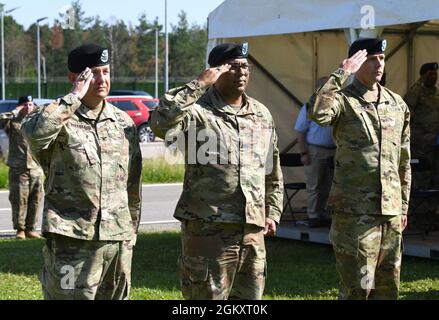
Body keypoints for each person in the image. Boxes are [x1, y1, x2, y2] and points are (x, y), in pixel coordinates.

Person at [150, 42, 283, 300]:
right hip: (209, 231)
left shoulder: (260, 114)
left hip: (252, 232)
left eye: (245, 66)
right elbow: (160, 122)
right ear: (216, 71)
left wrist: (273, 212)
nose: (242, 72)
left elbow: (272, 169)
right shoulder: (198, 111)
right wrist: (199, 83)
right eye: (233, 67)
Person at [21, 43, 142, 300]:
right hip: (72, 243)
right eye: (94, 73)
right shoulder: (58, 117)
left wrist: (131, 232)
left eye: (106, 72)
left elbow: (132, 184)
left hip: (117, 241)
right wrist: (74, 97)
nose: (102, 79)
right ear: (74, 78)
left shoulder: (123, 122)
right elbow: (34, 134)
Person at [308, 38, 411, 300]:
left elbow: (403, 159)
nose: (379, 64)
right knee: (359, 286)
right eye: (371, 59)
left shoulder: (397, 104)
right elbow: (317, 113)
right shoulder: (343, 100)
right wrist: (341, 73)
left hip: (389, 213)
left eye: (382, 58)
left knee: (388, 287)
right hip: (355, 214)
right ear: (356, 63)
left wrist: (403, 207)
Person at [0, 95, 44, 239]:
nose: (28, 107)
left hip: (36, 168)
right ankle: (20, 230)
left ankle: (31, 229)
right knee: (19, 200)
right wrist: (15, 111)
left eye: (30, 104)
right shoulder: (12, 123)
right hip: (19, 168)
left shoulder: (37, 122)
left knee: (35, 200)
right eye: (25, 104)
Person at [294, 76, 335, 228]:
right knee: (315, 185)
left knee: (329, 186)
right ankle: (313, 215)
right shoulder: (309, 107)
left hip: (333, 151)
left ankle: (324, 213)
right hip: (315, 151)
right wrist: (303, 153)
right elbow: (300, 132)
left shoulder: (336, 106)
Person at [404, 62, 439, 189]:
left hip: (435, 144)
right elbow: (406, 110)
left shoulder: (436, 94)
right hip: (420, 145)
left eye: (435, 74)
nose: (434, 77)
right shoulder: (416, 92)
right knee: (421, 177)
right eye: (430, 74)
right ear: (423, 76)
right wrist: (420, 82)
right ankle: (420, 208)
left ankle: (433, 207)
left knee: (435, 177)